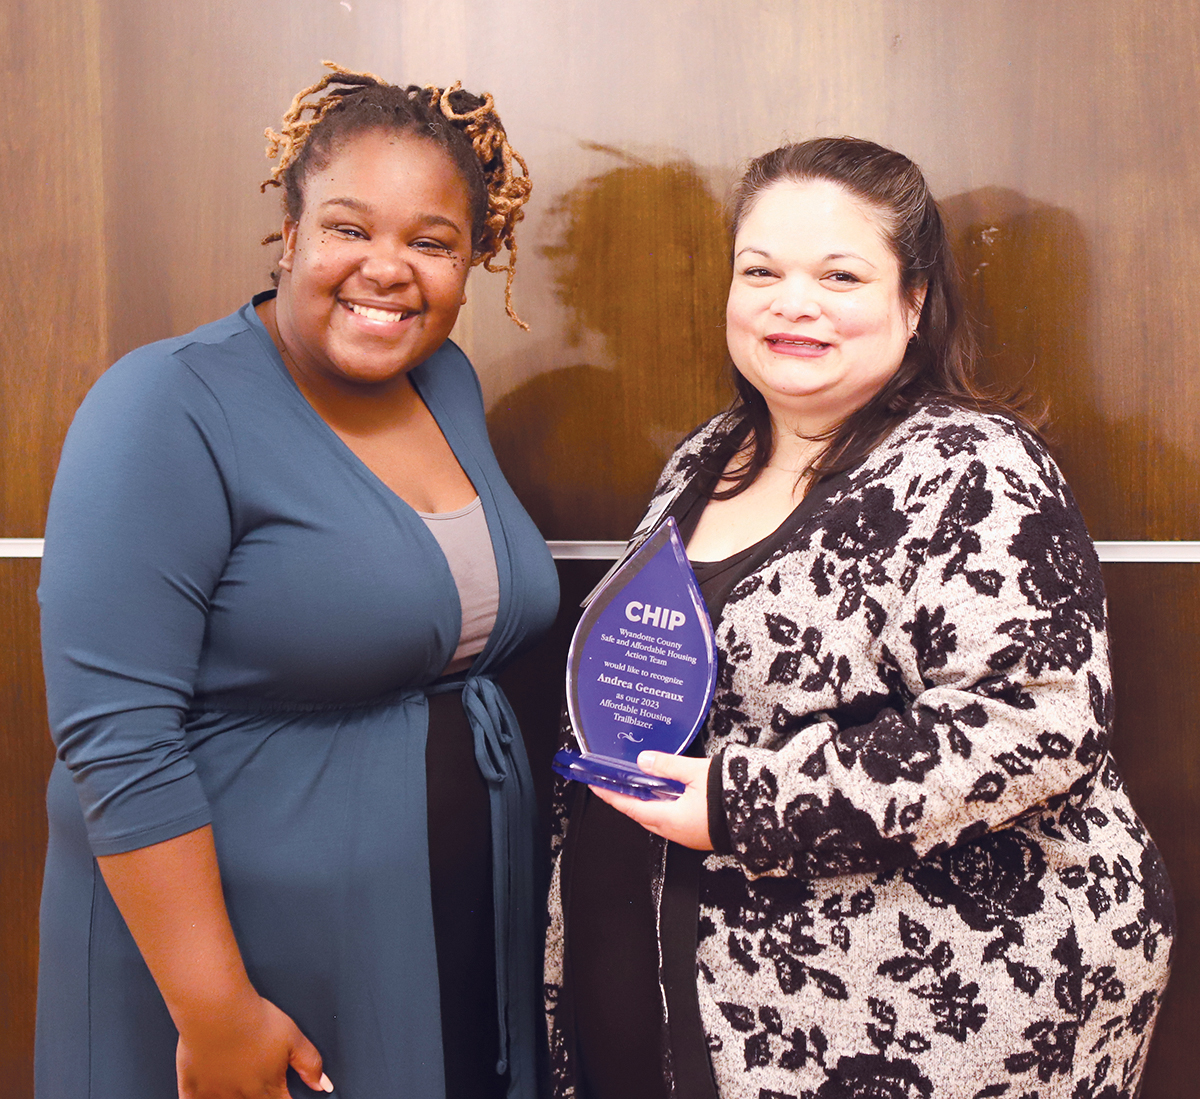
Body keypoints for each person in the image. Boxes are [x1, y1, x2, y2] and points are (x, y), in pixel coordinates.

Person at [544, 138, 1174, 1099]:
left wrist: (744, 805)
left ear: (913, 300)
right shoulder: (705, 457)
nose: (792, 302)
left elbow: (1038, 723)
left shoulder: (973, 466)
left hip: (906, 1012)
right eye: (762, 271)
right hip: (668, 986)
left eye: (839, 274)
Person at [37, 63, 558, 1099]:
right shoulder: (164, 404)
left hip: (438, 935)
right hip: (242, 966)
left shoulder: (443, 383)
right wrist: (217, 1013)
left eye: (431, 241)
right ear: (290, 234)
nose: (387, 269)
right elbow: (115, 736)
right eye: (349, 228)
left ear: (475, 260)